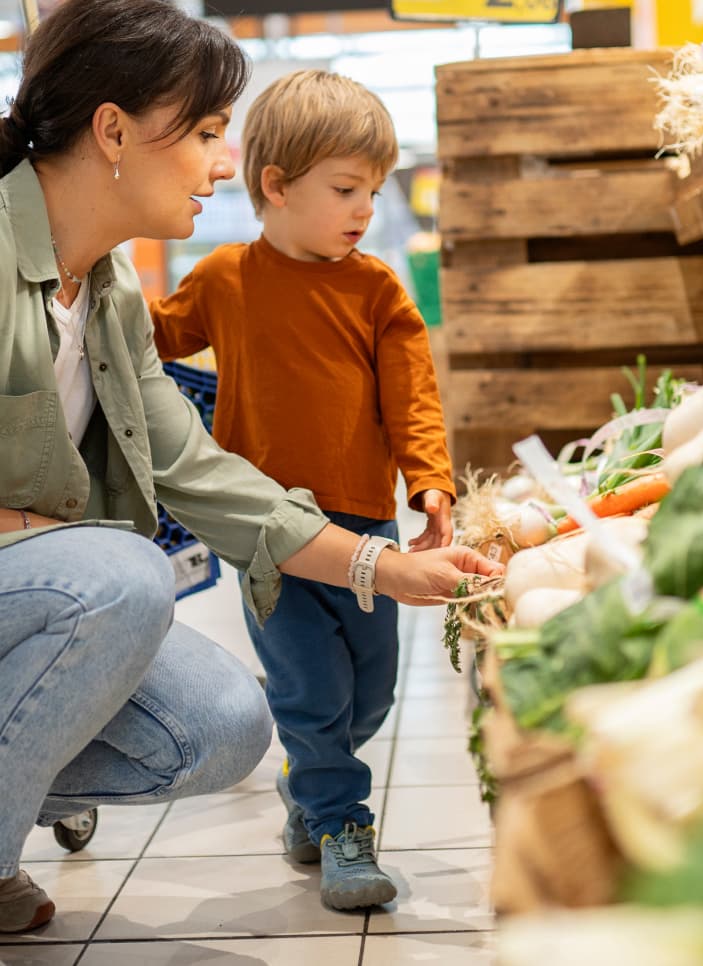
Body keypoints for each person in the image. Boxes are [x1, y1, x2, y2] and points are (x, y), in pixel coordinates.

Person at [0, 0, 499, 936]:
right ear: (113, 131)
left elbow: (198, 467)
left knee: (227, 726)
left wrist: (389, 563)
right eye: (204, 133)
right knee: (128, 574)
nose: (226, 166)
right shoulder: (36, 257)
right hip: (78, 576)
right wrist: (43, 533)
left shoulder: (108, 294)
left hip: (321, 523)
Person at [150, 69, 460, 912]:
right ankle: (340, 824)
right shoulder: (223, 278)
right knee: (309, 692)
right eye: (346, 189)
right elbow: (152, 334)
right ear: (275, 187)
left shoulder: (376, 290)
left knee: (372, 691)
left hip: (365, 520)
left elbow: (412, 393)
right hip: (264, 533)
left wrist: (429, 479)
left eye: (375, 189)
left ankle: (312, 792)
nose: (365, 208)